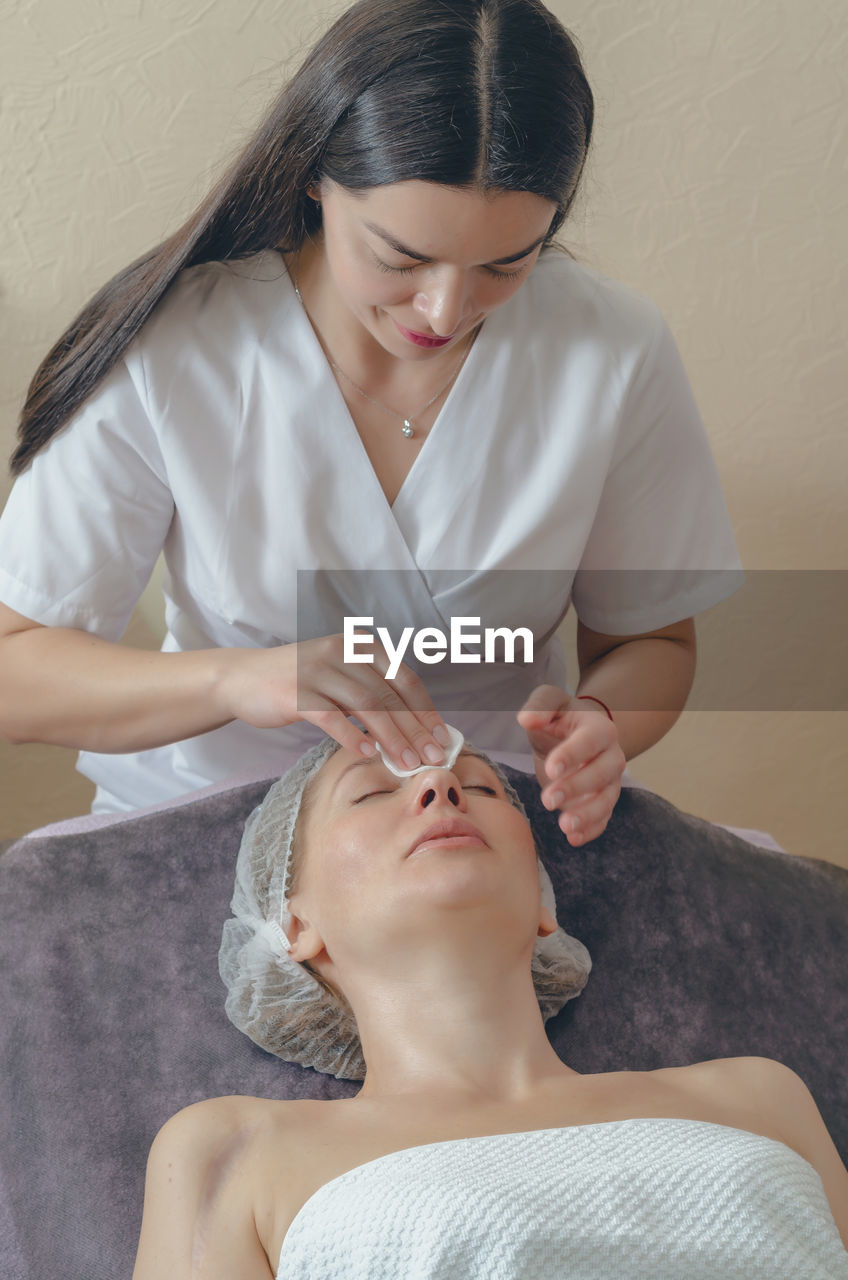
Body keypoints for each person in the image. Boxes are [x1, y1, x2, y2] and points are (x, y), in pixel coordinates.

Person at [0, 0, 743, 829]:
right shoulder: (174, 352)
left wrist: (602, 726)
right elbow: (15, 674)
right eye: (402, 258)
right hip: (208, 824)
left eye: (506, 265)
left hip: (475, 833)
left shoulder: (611, 350)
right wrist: (235, 680)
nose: (446, 309)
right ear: (314, 176)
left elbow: (651, 643)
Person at [131, 736, 848, 1278]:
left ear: (544, 903)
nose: (441, 785)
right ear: (292, 926)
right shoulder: (233, 1151)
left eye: (481, 787)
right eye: (372, 792)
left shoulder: (761, 1096)